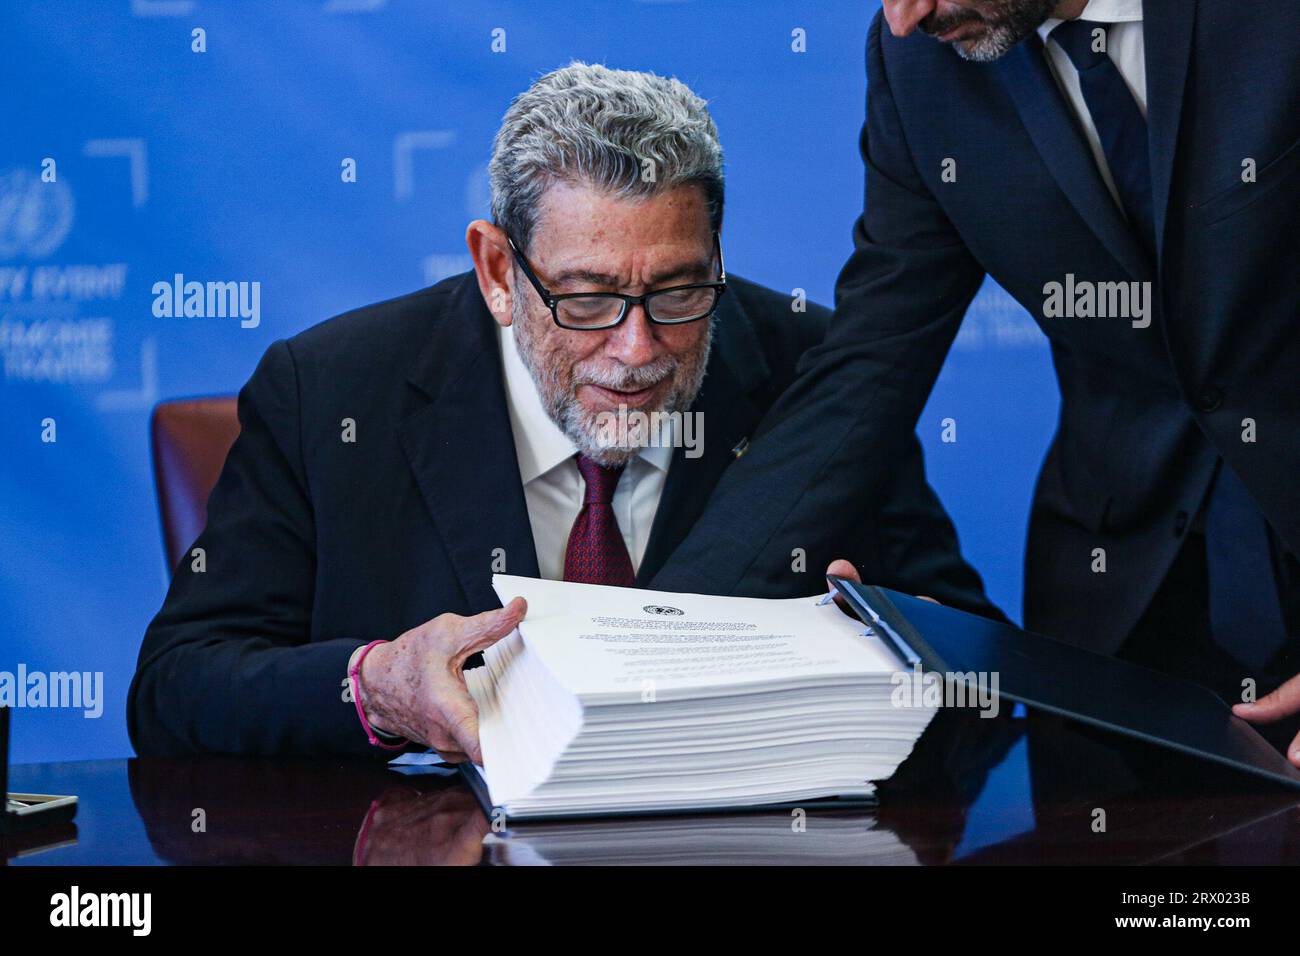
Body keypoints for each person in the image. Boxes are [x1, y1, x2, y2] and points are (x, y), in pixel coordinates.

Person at [129, 62, 995, 761]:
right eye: (585, 299)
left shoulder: (817, 369)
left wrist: (884, 649)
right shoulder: (328, 392)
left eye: (680, 290)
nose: (637, 349)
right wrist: (375, 684)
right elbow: (175, 688)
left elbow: (981, 674)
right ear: (500, 272)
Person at [648, 0, 1300, 764]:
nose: (903, 16)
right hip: (1118, 622)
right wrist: (668, 630)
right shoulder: (919, 65)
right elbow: (867, 368)